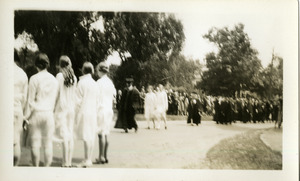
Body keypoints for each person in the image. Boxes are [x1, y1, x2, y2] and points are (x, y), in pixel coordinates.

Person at [24, 53, 58, 167]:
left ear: (36, 65)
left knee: (35, 144)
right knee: (48, 144)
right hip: (49, 113)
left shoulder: (34, 78)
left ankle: (36, 169)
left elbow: (30, 101)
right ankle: (46, 171)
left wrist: (26, 117)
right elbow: (55, 99)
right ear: (47, 65)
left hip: (36, 114)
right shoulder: (54, 80)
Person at [54, 55, 77, 167]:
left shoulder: (59, 76)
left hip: (61, 107)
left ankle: (64, 162)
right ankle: (69, 161)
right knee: (70, 134)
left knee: (64, 135)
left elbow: (56, 92)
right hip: (71, 108)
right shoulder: (74, 77)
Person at [74, 62, 98, 167]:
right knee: (91, 135)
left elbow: (77, 100)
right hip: (93, 111)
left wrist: (76, 113)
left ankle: (87, 160)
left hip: (84, 112)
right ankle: (88, 158)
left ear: (83, 70)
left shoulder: (81, 83)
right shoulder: (95, 83)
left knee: (86, 136)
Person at [95, 61, 116, 164]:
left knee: (101, 134)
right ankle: (105, 156)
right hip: (109, 110)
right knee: (106, 133)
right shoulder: (110, 82)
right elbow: (113, 96)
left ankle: (101, 157)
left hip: (101, 109)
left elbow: (96, 97)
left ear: (100, 70)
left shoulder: (99, 82)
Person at [13, 50, 28, 166]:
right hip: (17, 109)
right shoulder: (22, 73)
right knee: (15, 141)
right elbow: (25, 97)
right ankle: (15, 168)